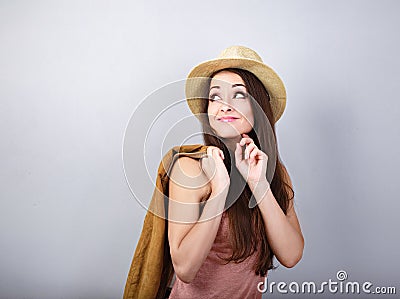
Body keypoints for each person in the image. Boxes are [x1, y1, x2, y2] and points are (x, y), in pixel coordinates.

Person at [166, 46, 304, 299]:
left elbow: (291, 255)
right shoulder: (190, 169)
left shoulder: (274, 173)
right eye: (215, 97)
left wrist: (258, 185)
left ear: (259, 107)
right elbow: (184, 268)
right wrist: (219, 191)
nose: (224, 107)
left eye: (238, 95)